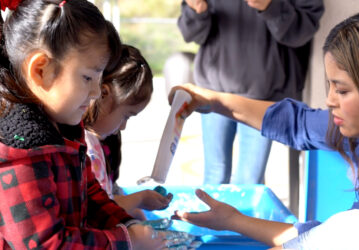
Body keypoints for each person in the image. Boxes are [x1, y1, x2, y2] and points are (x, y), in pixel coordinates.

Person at [170, 8, 359, 248]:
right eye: (330, 87)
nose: (330, 100)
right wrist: (232, 220)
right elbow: (297, 123)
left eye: (342, 91)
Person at [0, 0, 165, 249]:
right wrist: (124, 241)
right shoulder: (21, 152)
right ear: (41, 70)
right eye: (88, 77)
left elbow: (90, 193)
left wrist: (126, 224)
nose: (96, 92)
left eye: (99, 78)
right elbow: (47, 245)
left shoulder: (64, 129)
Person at [177, 0, 324, 185]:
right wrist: (198, 11)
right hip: (214, 89)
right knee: (214, 176)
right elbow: (191, 34)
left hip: (264, 95)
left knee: (249, 181)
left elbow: (301, 32)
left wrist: (270, 7)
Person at [83, 44, 173, 219]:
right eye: (126, 116)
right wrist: (140, 199)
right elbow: (98, 210)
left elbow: (108, 196)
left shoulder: (95, 140)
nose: (123, 127)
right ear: (103, 94)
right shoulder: (85, 147)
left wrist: (135, 209)